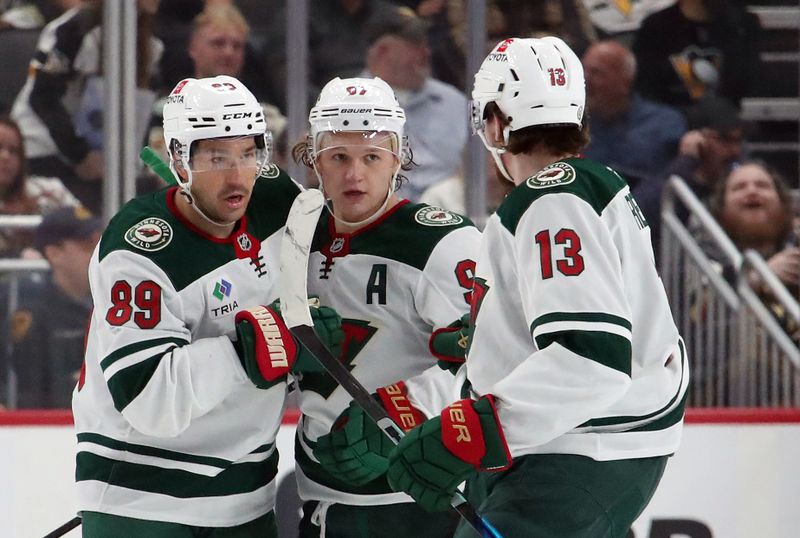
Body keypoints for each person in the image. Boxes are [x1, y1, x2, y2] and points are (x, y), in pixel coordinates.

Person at [317, 37, 690, 537]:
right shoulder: (581, 186)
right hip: (570, 447)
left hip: (583, 448)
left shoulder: (552, 199)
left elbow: (591, 356)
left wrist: (471, 430)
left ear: (494, 122)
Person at [71, 75, 342, 537]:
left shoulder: (275, 199)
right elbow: (149, 400)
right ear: (179, 158)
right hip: (142, 500)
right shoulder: (139, 249)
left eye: (248, 153)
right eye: (217, 157)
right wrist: (250, 348)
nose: (238, 176)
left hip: (246, 496)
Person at [289, 76, 481, 538]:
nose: (355, 175)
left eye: (371, 157)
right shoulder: (294, 237)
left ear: (397, 159)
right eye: (338, 158)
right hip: (323, 494)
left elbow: (490, 357)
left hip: (423, 496)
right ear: (315, 159)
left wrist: (405, 408)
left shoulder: (444, 241)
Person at [10, 0, 163, 212]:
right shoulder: (72, 30)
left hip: (103, 160)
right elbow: (42, 97)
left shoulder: (150, 44)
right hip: (45, 150)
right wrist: (80, 155)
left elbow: (138, 112)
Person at [362, 7, 468, 201]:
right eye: (416, 45)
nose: (426, 51)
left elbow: (479, 164)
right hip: (380, 219)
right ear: (383, 51)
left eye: (426, 44)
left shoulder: (453, 101)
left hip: (447, 216)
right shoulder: (347, 103)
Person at [7, 205, 100, 408]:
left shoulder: (113, 306)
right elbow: (31, 391)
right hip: (53, 429)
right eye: (87, 245)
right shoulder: (35, 315)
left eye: (99, 242)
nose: (98, 252)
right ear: (54, 253)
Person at [634, 95, 746, 259]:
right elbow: (640, 213)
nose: (734, 151)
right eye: (725, 140)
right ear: (697, 138)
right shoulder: (675, 182)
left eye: (738, 141)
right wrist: (686, 161)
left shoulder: (743, 178)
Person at [582, 40, 686, 189]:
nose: (585, 80)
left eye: (596, 73)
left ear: (625, 83)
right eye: (583, 71)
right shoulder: (568, 129)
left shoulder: (665, 124)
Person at [632, 0, 762, 109]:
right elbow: (647, 91)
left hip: (728, 125)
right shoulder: (656, 28)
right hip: (673, 127)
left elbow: (748, 87)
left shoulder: (743, 26)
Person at [0, 116, 80, 258]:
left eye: (13, 151)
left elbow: (85, 223)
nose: (5, 156)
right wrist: (19, 255)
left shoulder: (50, 190)